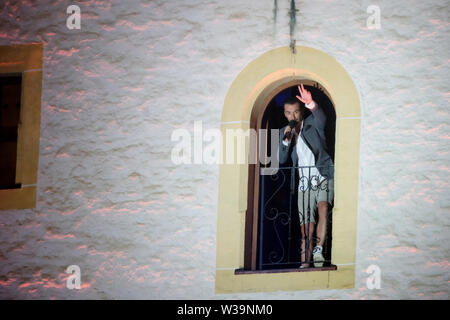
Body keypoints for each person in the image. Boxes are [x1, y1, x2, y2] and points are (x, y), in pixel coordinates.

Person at [278, 84, 334, 268]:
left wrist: (311, 103)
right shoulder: (284, 132)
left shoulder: (312, 123)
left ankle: (319, 248)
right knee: (306, 226)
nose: (292, 116)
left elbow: (322, 117)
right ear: (285, 114)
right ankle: (305, 262)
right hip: (304, 182)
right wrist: (286, 141)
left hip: (322, 174)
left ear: (301, 112)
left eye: (295, 112)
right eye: (288, 113)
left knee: (323, 207)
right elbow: (282, 159)